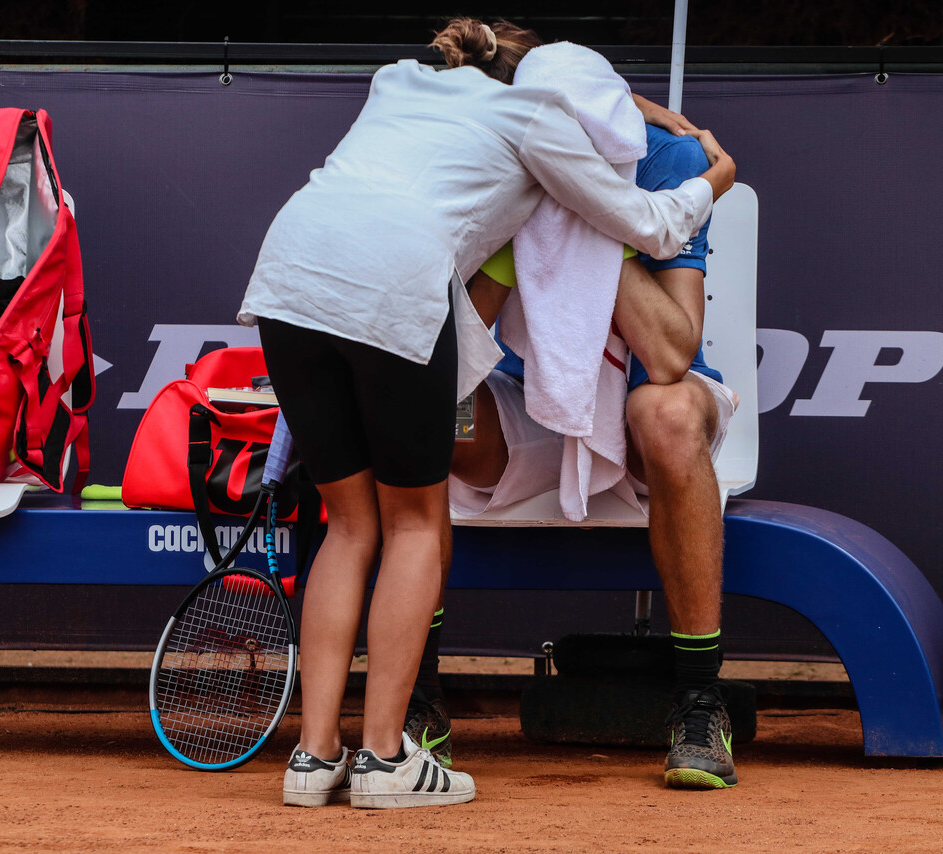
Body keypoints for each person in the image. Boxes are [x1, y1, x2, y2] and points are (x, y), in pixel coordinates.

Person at [238, 17, 732, 809]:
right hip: (399, 293)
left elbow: (540, 90)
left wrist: (649, 115)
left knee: (349, 526)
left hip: (290, 278)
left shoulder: (399, 78)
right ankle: (383, 757)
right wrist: (716, 179)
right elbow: (642, 217)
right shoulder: (539, 124)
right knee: (411, 526)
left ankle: (313, 757)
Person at [409, 117, 740, 791]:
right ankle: (416, 697)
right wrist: (526, 213)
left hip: (651, 410)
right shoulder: (495, 164)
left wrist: (590, 222)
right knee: (435, 415)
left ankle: (701, 702)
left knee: (668, 414)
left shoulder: (670, 159)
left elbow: (673, 354)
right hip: (536, 407)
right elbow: (463, 348)